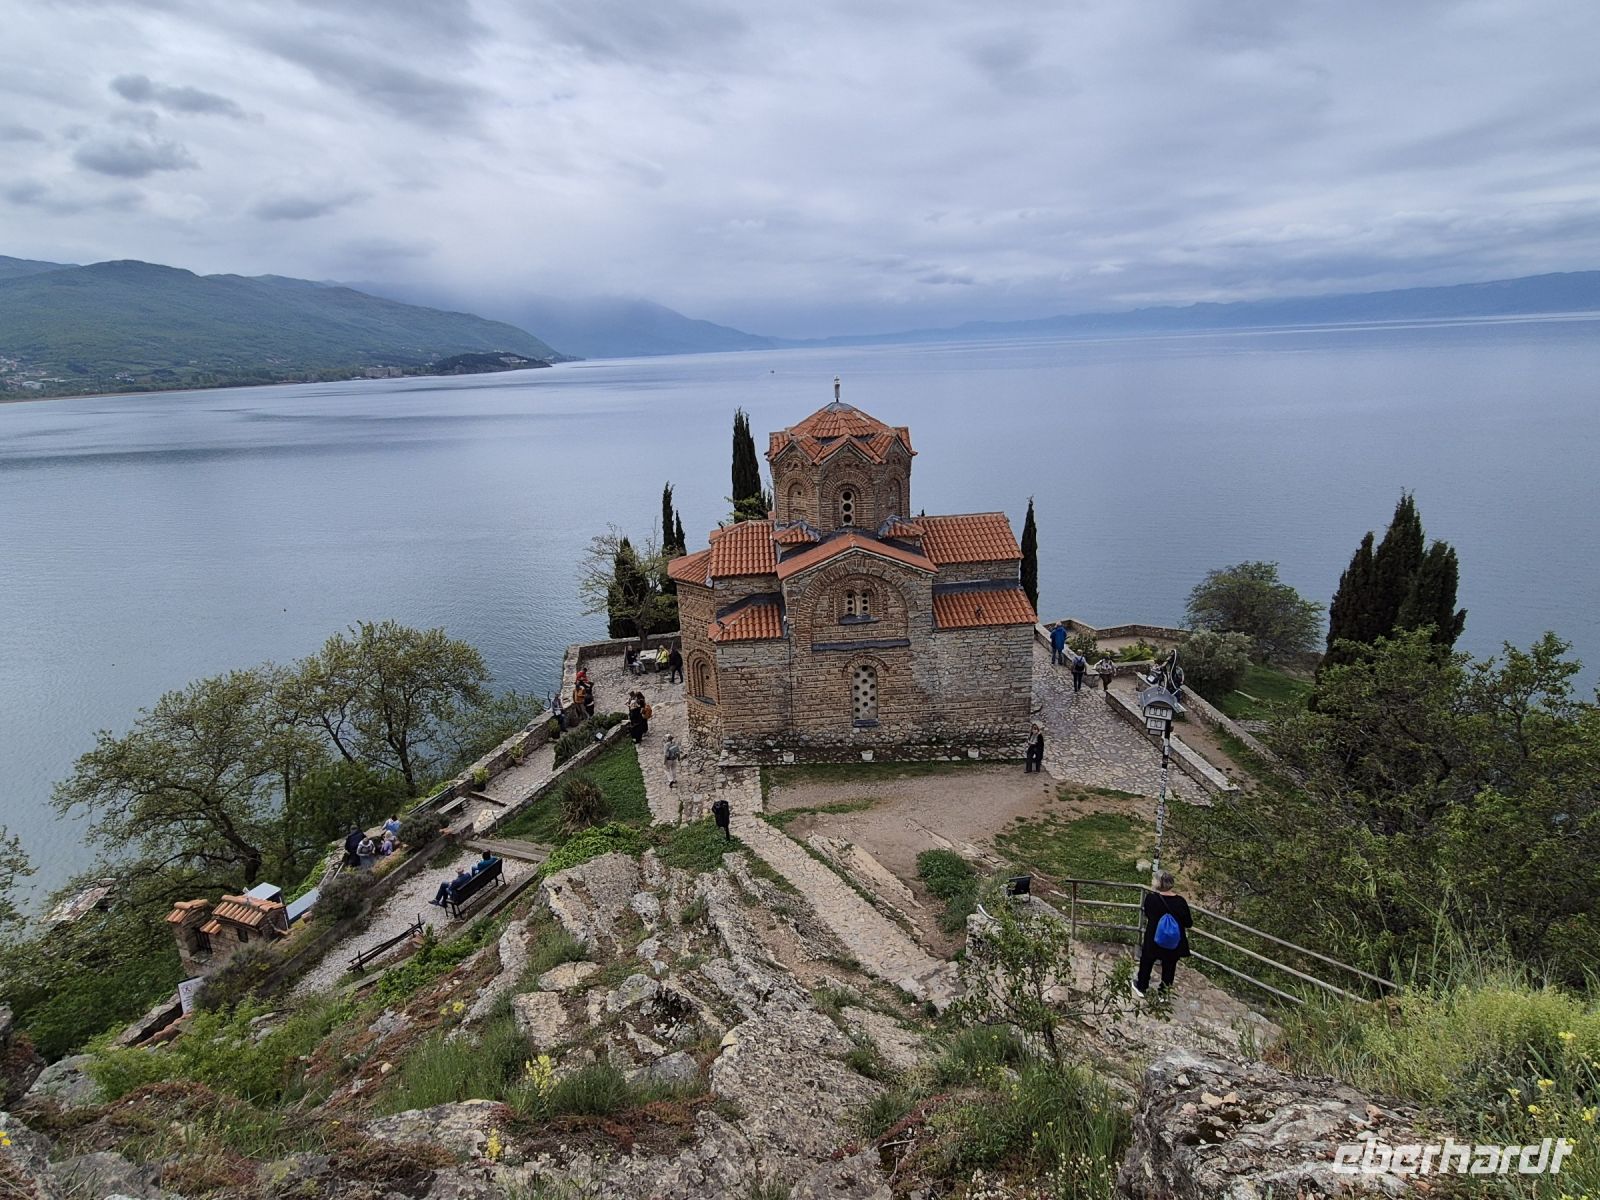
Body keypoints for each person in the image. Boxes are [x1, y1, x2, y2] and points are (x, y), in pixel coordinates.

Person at [1133, 872, 1193, 997]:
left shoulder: (1151, 898)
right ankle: (1164, 993)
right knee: (1170, 966)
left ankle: (1142, 987)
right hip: (1173, 941)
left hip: (1153, 938)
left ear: (1159, 883)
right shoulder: (1180, 901)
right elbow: (1188, 923)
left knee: (1147, 961)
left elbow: (1148, 915)